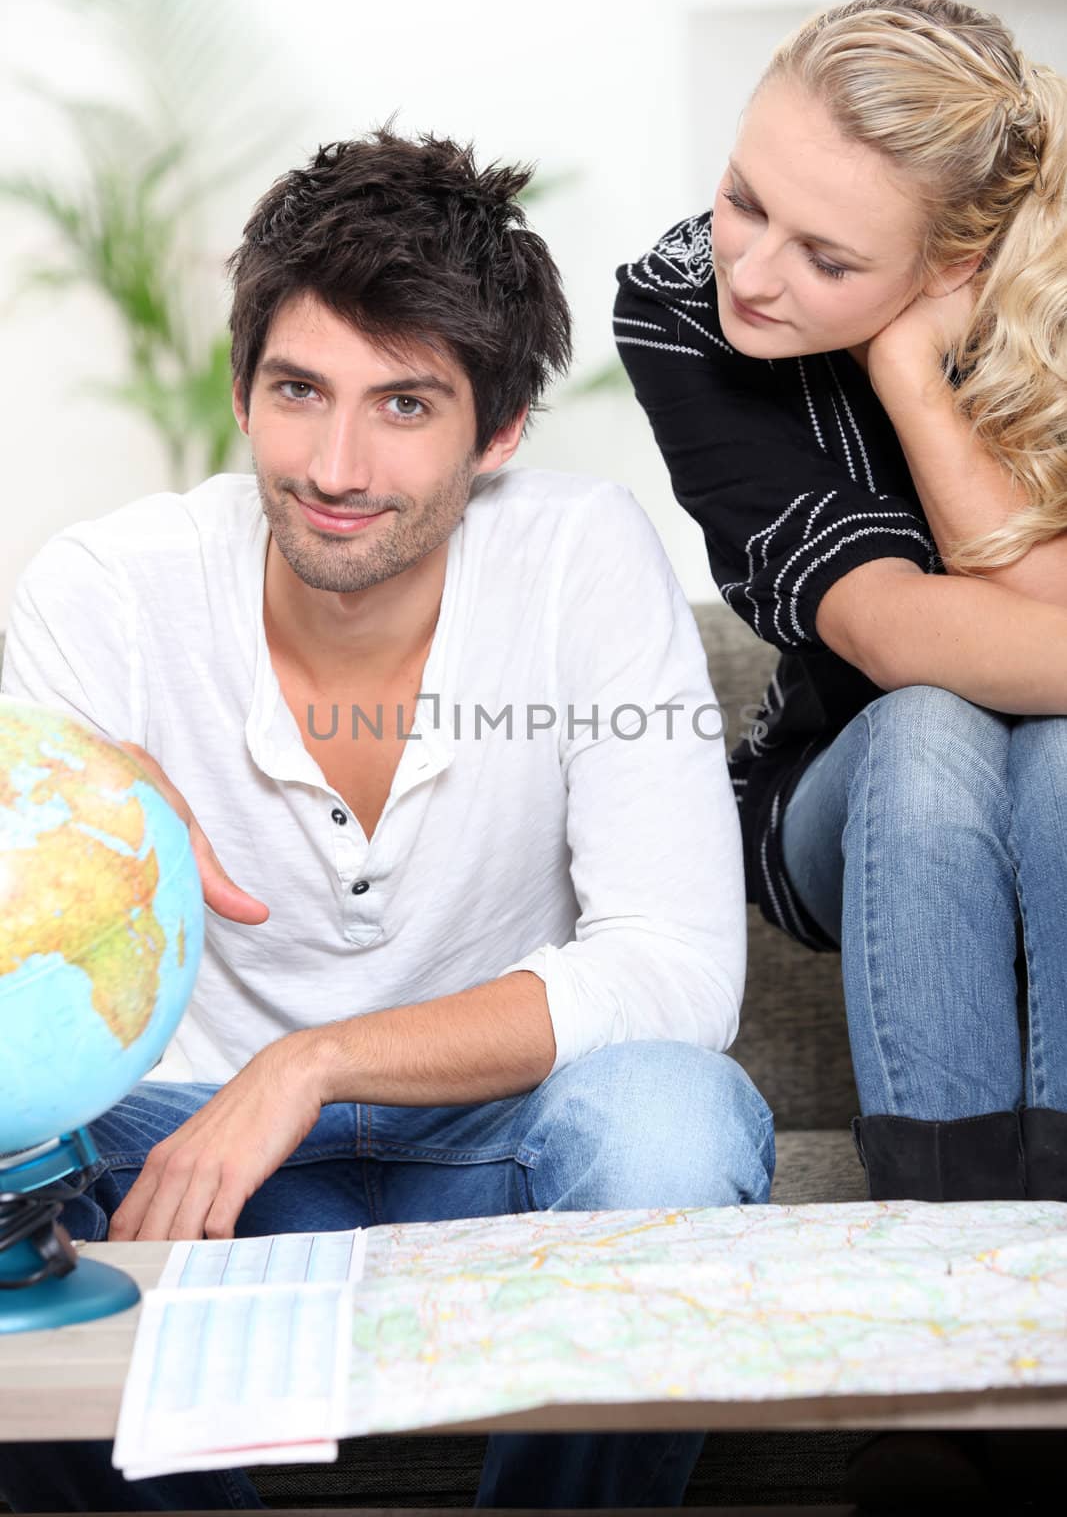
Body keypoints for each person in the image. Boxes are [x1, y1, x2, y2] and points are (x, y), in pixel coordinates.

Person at [0, 129, 773, 1512]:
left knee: (670, 1118)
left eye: (405, 406)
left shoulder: (581, 558)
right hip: (188, 1156)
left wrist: (309, 1063)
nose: (337, 464)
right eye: (300, 390)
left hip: (498, 1141)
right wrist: (65, 804)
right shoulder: (105, 592)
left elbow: (675, 973)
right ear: (243, 393)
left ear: (498, 432)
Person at [614, 0, 1067, 1205]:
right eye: (744, 198)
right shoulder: (676, 306)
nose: (748, 274)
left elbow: (1044, 592)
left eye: (825, 259)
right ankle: (942, 1251)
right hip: (845, 791)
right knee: (927, 720)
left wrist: (909, 376)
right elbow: (890, 627)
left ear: (956, 266)